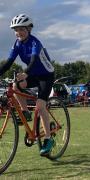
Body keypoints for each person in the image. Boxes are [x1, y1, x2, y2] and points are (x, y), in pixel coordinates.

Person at [0, 14, 55, 156]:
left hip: (46, 76)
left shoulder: (35, 43)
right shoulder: (17, 44)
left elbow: (34, 60)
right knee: (15, 86)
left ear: (29, 29)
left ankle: (48, 140)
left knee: (40, 105)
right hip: (33, 75)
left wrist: (25, 73)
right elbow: (8, 63)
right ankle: (25, 112)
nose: (18, 33)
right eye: (16, 30)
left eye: (21, 29)